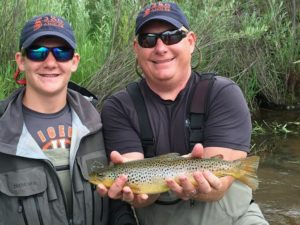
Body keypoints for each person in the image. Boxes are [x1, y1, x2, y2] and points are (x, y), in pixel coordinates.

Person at [99, 2, 269, 225]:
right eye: (148, 39)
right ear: (136, 48)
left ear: (190, 42)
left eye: (171, 36)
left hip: (234, 219)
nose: (160, 47)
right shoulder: (119, 107)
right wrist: (137, 195)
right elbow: (142, 196)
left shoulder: (223, 94)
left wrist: (200, 186)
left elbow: (218, 190)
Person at [0, 14, 136, 225]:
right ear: (20, 61)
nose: (50, 62)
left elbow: (116, 206)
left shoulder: (100, 124)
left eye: (62, 52)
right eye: (38, 52)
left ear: (74, 61)